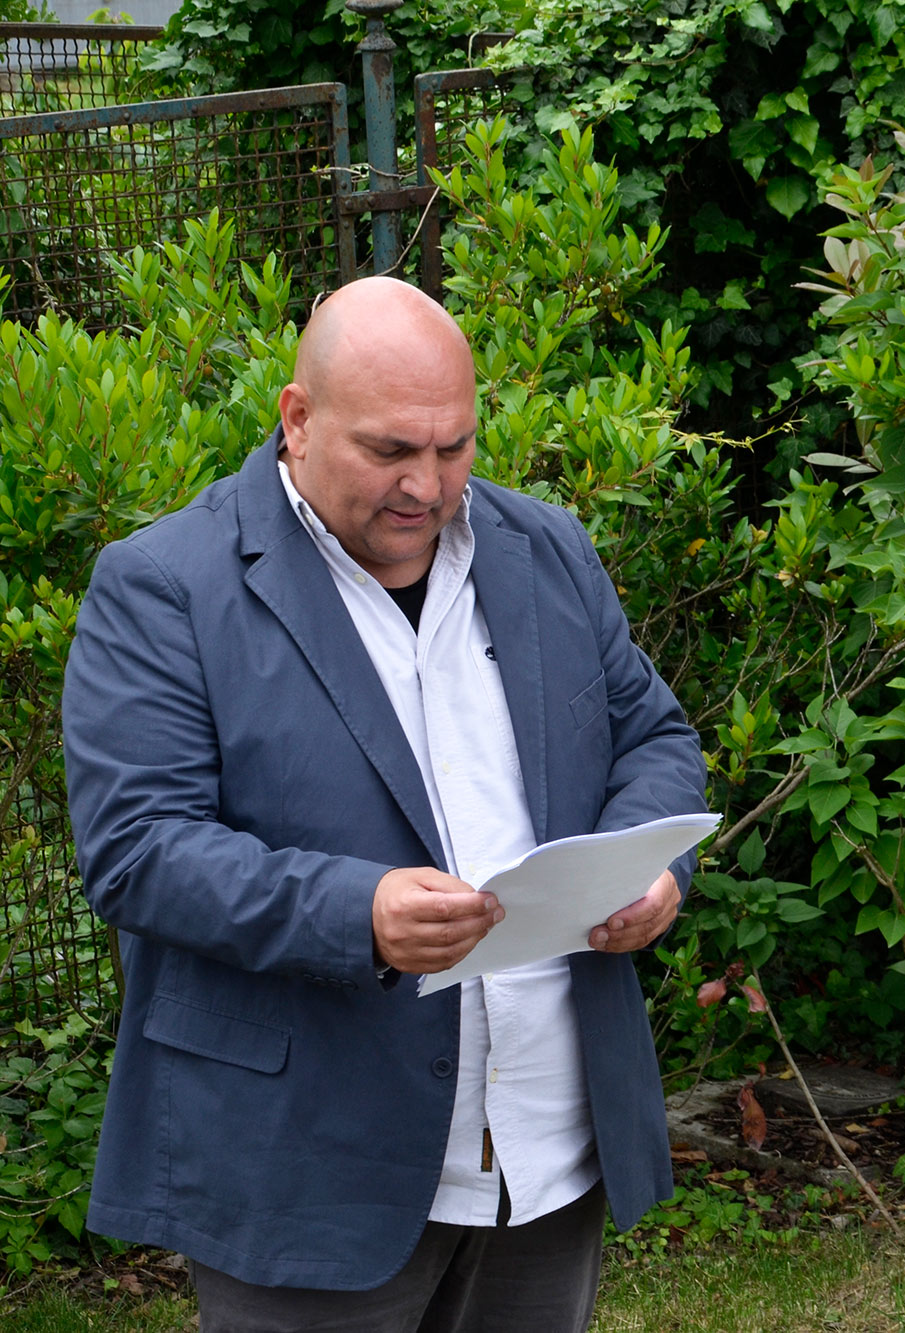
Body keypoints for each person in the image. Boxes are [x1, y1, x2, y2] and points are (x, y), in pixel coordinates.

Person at [61, 276, 708, 1331]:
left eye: (454, 447)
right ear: (298, 419)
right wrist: (354, 913)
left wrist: (652, 867)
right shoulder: (165, 585)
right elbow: (138, 850)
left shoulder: (546, 547)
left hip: (547, 1145)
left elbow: (654, 737)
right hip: (309, 1160)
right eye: (391, 450)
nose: (427, 484)